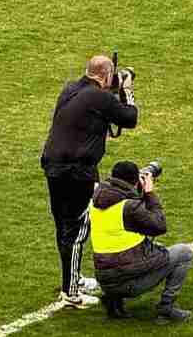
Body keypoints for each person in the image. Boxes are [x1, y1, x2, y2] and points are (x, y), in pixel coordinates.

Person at [40, 55, 138, 309]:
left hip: (53, 165)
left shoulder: (70, 89)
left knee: (64, 226)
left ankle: (73, 279)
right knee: (77, 230)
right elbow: (130, 117)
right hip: (76, 171)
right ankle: (71, 292)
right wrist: (127, 90)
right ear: (106, 76)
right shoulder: (100, 97)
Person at [90, 161, 193, 323]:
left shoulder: (96, 202)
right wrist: (150, 193)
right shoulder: (129, 207)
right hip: (129, 283)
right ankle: (166, 308)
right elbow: (159, 226)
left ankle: (114, 304)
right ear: (134, 181)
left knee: (128, 252)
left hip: (105, 280)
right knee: (183, 252)